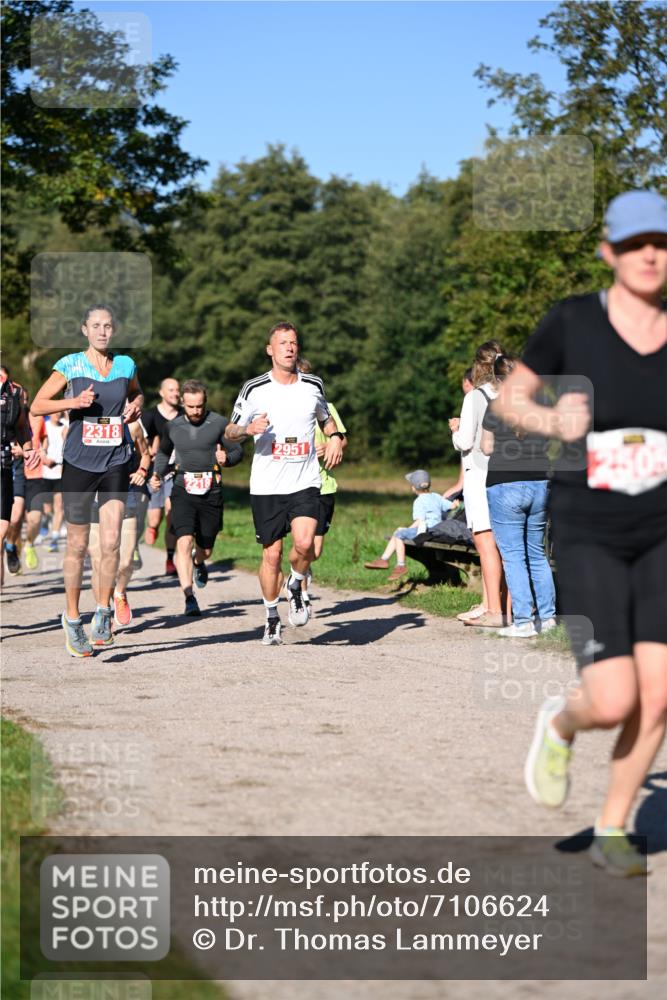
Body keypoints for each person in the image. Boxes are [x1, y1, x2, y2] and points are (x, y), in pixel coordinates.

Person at [494, 189, 667, 876]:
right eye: (632, 244)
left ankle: (612, 827)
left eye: (658, 242)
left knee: (659, 692)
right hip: (589, 524)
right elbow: (511, 396)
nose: (648, 254)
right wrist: (550, 421)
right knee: (612, 697)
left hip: (661, 528)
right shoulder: (572, 321)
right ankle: (561, 723)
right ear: (608, 253)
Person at [31, 304, 143, 656]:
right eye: (96, 326)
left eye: (108, 326)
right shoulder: (69, 365)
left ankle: (103, 612)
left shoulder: (125, 365)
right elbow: (37, 405)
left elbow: (138, 392)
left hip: (115, 460)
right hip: (79, 462)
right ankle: (72, 618)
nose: (102, 332)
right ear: (84, 330)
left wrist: (137, 404)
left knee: (111, 543)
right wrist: (73, 402)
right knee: (78, 545)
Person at [225, 322, 344, 645]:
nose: (289, 348)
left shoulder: (313, 385)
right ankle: (271, 617)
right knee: (272, 556)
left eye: (293, 343)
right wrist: (248, 430)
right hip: (267, 484)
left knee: (305, 544)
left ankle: (297, 581)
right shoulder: (254, 389)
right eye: (282, 343)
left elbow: (326, 417)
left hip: (305, 479)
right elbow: (229, 431)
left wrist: (334, 437)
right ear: (270, 350)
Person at [151, 379, 243, 617]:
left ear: (205, 402)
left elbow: (237, 451)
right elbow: (162, 454)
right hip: (182, 488)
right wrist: (158, 474)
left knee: (206, 549)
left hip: (211, 491)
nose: (195, 411)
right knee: (184, 541)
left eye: (200, 406)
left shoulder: (219, 423)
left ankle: (200, 563)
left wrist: (227, 459)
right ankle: (189, 597)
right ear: (183, 402)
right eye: (191, 407)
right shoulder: (173, 426)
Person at [481, 354, 556, 638]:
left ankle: (523, 621)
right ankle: (547, 618)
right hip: (540, 482)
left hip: (505, 484)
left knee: (513, 556)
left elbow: (486, 448)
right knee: (537, 553)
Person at [450, 341, 507, 628]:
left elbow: (465, 442)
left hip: (480, 475)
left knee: (485, 544)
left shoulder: (474, 397)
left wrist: (455, 428)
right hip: (510, 474)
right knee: (507, 545)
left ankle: (493, 610)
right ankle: (501, 606)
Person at [89, 420, 151, 632]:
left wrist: (142, 470)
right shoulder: (82, 425)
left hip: (125, 494)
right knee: (98, 562)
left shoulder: (131, 427)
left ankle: (119, 593)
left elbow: (146, 453)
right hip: (92, 498)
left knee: (125, 561)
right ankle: (103, 613)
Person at [296, 358, 347, 609]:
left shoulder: (327, 407)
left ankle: (302, 570)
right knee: (302, 543)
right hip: (296, 485)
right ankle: (301, 592)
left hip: (324, 486)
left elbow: (342, 439)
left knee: (315, 550)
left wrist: (329, 445)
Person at [365, 470, 456, 580]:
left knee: (399, 535)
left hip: (425, 532)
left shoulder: (418, 501)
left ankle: (401, 566)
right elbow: (451, 506)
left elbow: (420, 521)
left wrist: (407, 529)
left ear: (413, 488)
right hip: (436, 530)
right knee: (399, 530)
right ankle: (383, 560)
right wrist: (456, 503)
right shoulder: (436, 496)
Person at [1, 366, 38, 585]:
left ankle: (10, 548)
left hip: (5, 467)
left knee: (4, 529)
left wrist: (28, 449)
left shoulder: (13, 392)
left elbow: (22, 426)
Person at [142, 377, 180, 574]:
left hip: (175, 472)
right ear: (161, 393)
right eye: (171, 390)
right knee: (155, 519)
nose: (175, 393)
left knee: (171, 512)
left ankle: (170, 559)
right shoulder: (150, 416)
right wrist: (150, 450)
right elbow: (140, 442)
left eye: (177, 390)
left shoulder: (184, 416)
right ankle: (152, 527)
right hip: (154, 473)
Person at [41, 410, 68, 552]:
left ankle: (55, 540)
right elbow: (41, 448)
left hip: (59, 471)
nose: (57, 415)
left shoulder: (65, 428)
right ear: (50, 413)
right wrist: (44, 459)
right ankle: (45, 523)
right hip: (46, 471)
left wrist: (62, 464)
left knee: (59, 507)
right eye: (55, 413)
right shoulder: (44, 426)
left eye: (60, 413)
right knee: (47, 508)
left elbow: (68, 449)